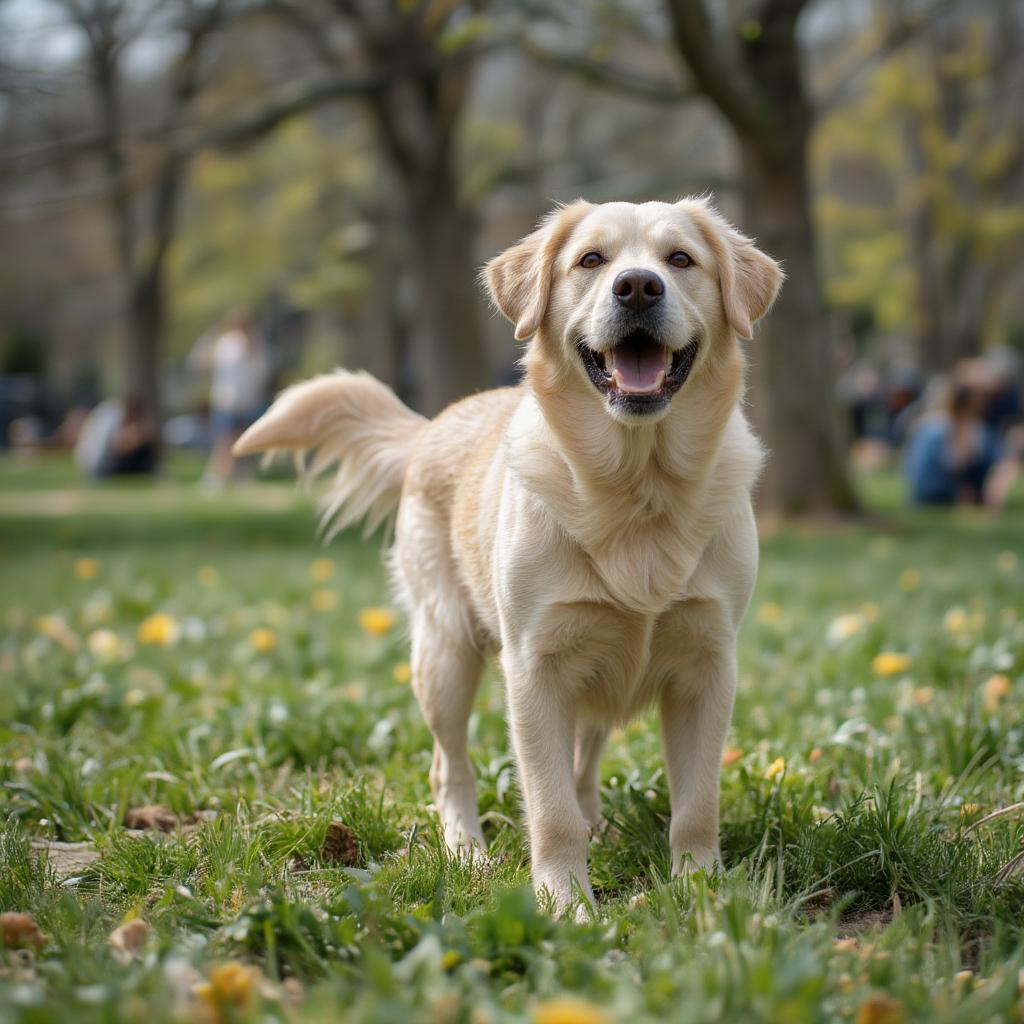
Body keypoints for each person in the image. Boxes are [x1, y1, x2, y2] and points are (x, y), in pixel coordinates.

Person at [189, 308, 268, 486]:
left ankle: (240, 475)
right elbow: (199, 363)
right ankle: (218, 475)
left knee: (244, 440)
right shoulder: (226, 343)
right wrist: (211, 335)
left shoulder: (257, 345)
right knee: (224, 440)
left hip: (248, 402)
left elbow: (261, 372)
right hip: (225, 401)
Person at [904, 373, 1002, 506]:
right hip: (935, 491)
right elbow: (953, 464)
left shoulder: (936, 424)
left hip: (930, 490)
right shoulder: (938, 429)